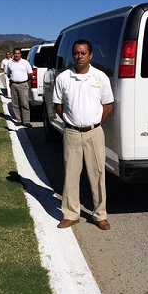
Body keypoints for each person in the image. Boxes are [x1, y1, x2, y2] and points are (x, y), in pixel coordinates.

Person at [53, 39, 114, 230]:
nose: (79, 56)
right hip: (71, 133)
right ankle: (71, 214)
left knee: (97, 174)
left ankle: (99, 215)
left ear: (91, 55)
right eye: (76, 53)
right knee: (71, 174)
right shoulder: (63, 78)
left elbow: (108, 105)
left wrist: (95, 124)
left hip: (94, 133)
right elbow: (58, 105)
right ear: (73, 55)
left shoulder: (100, 77)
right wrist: (71, 122)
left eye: (83, 53)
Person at [6, 47, 33, 128]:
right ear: (13, 54)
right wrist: (13, 81)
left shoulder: (25, 63)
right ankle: (19, 120)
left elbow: (30, 74)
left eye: (18, 53)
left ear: (20, 54)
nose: (16, 55)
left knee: (24, 103)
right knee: (15, 103)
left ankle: (26, 121)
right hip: (13, 84)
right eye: (15, 53)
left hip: (23, 84)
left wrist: (24, 80)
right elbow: (8, 74)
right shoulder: (10, 63)